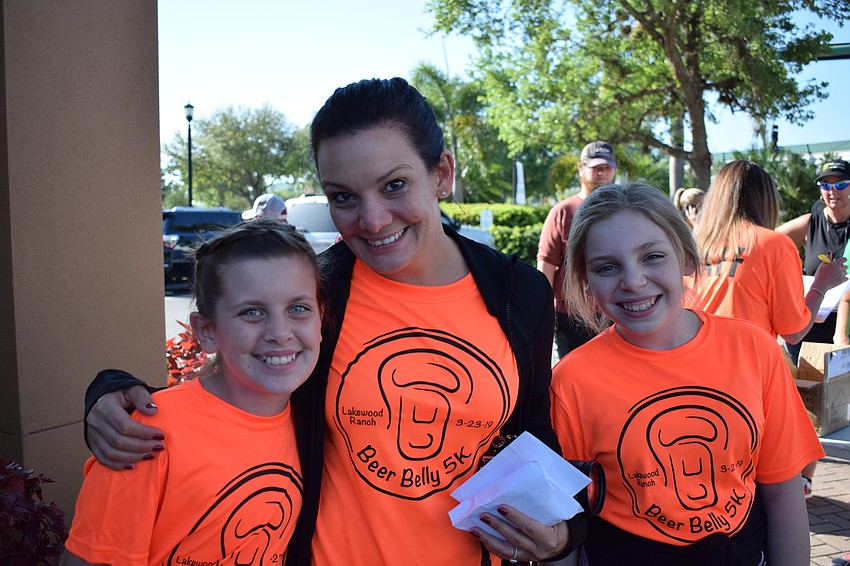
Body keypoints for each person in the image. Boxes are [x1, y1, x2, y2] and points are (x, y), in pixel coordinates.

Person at [82, 78, 581, 565]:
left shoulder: (518, 293)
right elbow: (237, 382)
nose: (373, 219)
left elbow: (535, 435)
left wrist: (563, 535)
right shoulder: (319, 290)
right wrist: (113, 393)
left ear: (442, 174)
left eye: (394, 185)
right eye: (343, 196)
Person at [550, 182, 824, 565]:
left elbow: (782, 489)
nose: (633, 281)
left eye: (652, 257)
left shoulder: (754, 349)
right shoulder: (571, 381)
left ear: (687, 260)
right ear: (586, 282)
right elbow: (565, 514)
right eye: (607, 267)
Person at [62, 220, 325, 565]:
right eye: (252, 312)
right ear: (206, 331)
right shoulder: (143, 436)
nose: (280, 332)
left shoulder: (313, 420)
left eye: (298, 308)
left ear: (321, 317)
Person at [694, 160, 846, 500]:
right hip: (750, 372)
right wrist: (821, 285)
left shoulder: (696, 244)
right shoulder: (773, 245)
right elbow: (794, 330)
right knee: (797, 454)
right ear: (765, 198)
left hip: (695, 367)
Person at [537, 141, 617, 360]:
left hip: (616, 312)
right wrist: (542, 311)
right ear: (581, 169)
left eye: (607, 168)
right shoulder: (563, 211)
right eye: (596, 168)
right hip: (571, 317)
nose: (602, 173)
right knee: (572, 374)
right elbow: (546, 264)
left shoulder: (623, 210)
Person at [778, 159, 850, 362]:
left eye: (840, 184)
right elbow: (766, 242)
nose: (832, 191)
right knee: (805, 380)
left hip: (844, 326)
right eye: (825, 185)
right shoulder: (812, 221)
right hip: (810, 322)